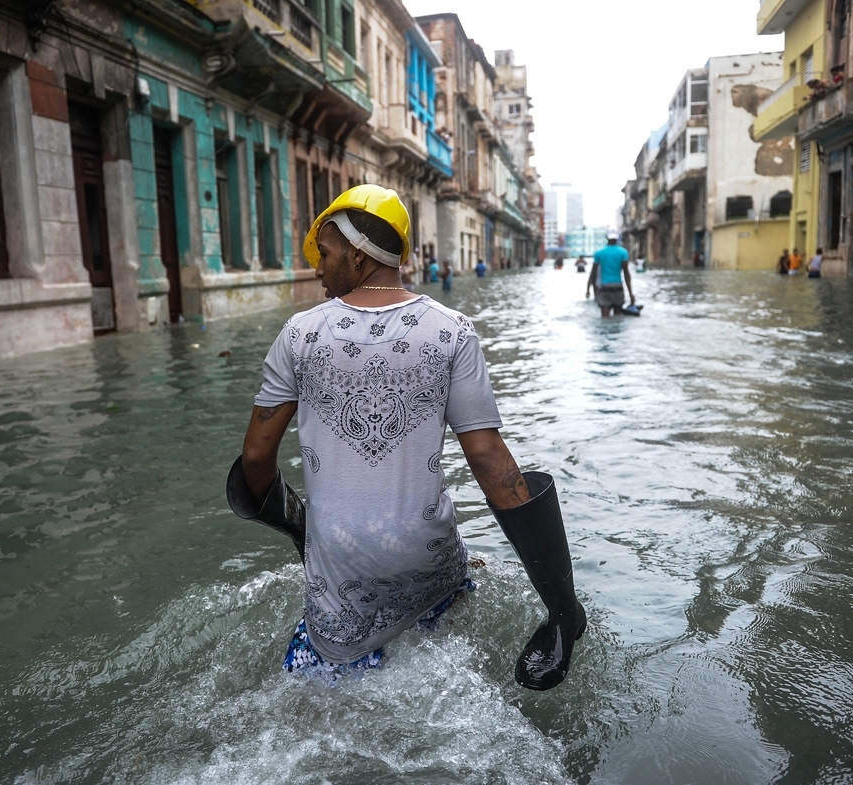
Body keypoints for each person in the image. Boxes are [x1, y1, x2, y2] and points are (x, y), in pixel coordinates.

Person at [226, 184, 586, 690]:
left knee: (310, 708)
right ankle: (567, 617)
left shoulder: (298, 335)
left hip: (343, 583)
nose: (318, 267)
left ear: (356, 253)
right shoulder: (453, 331)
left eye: (325, 254)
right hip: (430, 563)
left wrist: (300, 528)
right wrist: (559, 607)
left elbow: (255, 457)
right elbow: (488, 460)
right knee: (448, 677)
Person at [586, 231, 635, 317]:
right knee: (617, 316)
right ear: (617, 239)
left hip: (604, 288)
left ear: (607, 238)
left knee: (605, 317)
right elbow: (626, 274)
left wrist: (591, 290)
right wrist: (631, 293)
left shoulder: (599, 253)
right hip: (618, 287)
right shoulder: (623, 252)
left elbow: (593, 273)